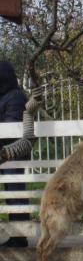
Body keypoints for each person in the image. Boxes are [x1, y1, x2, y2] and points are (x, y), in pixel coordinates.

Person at [0, 61, 29, 247]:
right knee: (12, 192)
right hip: (3, 153)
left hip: (12, 155)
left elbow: (11, 129)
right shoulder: (4, 96)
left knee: (15, 192)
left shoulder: (16, 97)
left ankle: (19, 235)